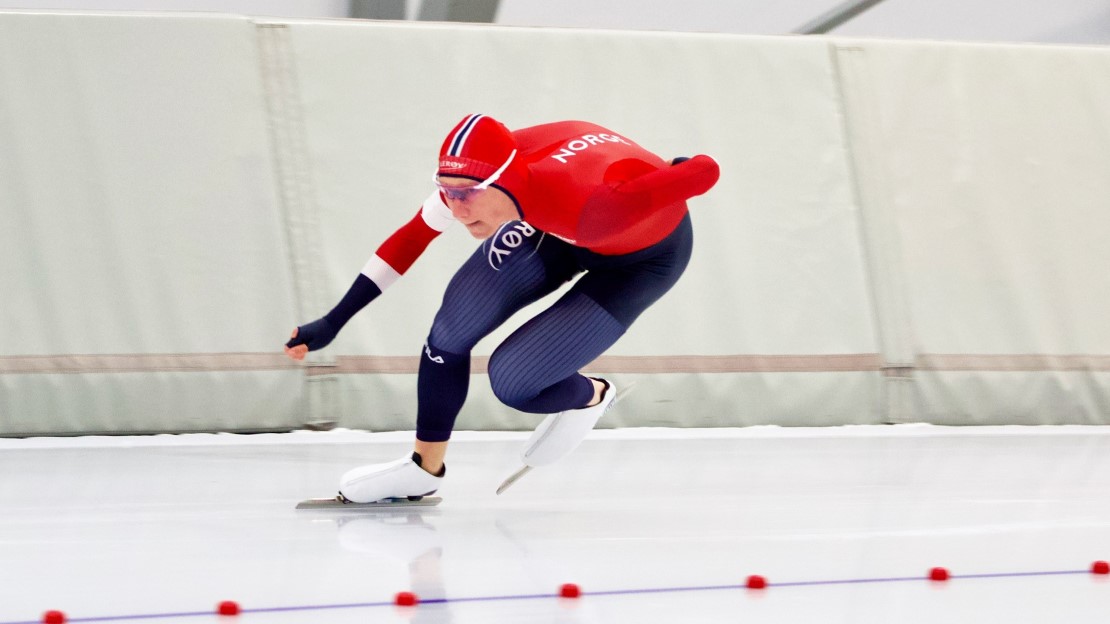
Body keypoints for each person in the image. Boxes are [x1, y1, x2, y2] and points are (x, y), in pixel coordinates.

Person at [284, 114, 719, 502]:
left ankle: (592, 395)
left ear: (503, 182)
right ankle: (422, 470)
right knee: (451, 330)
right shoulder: (479, 178)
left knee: (514, 382)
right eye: (446, 193)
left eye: (468, 196)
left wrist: (672, 170)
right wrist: (333, 321)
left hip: (637, 259)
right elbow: (410, 239)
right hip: (547, 217)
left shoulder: (599, 208)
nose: (456, 209)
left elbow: (704, 171)